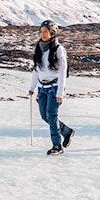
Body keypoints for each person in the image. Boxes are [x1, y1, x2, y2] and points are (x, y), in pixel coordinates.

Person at [28, 19, 74, 156]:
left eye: (46, 32)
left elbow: (62, 71)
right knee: (44, 115)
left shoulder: (59, 49)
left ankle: (57, 145)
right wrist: (32, 87)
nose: (43, 34)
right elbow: (36, 69)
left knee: (52, 116)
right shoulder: (38, 48)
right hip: (42, 88)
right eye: (41, 31)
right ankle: (66, 131)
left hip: (54, 87)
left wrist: (60, 92)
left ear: (52, 33)